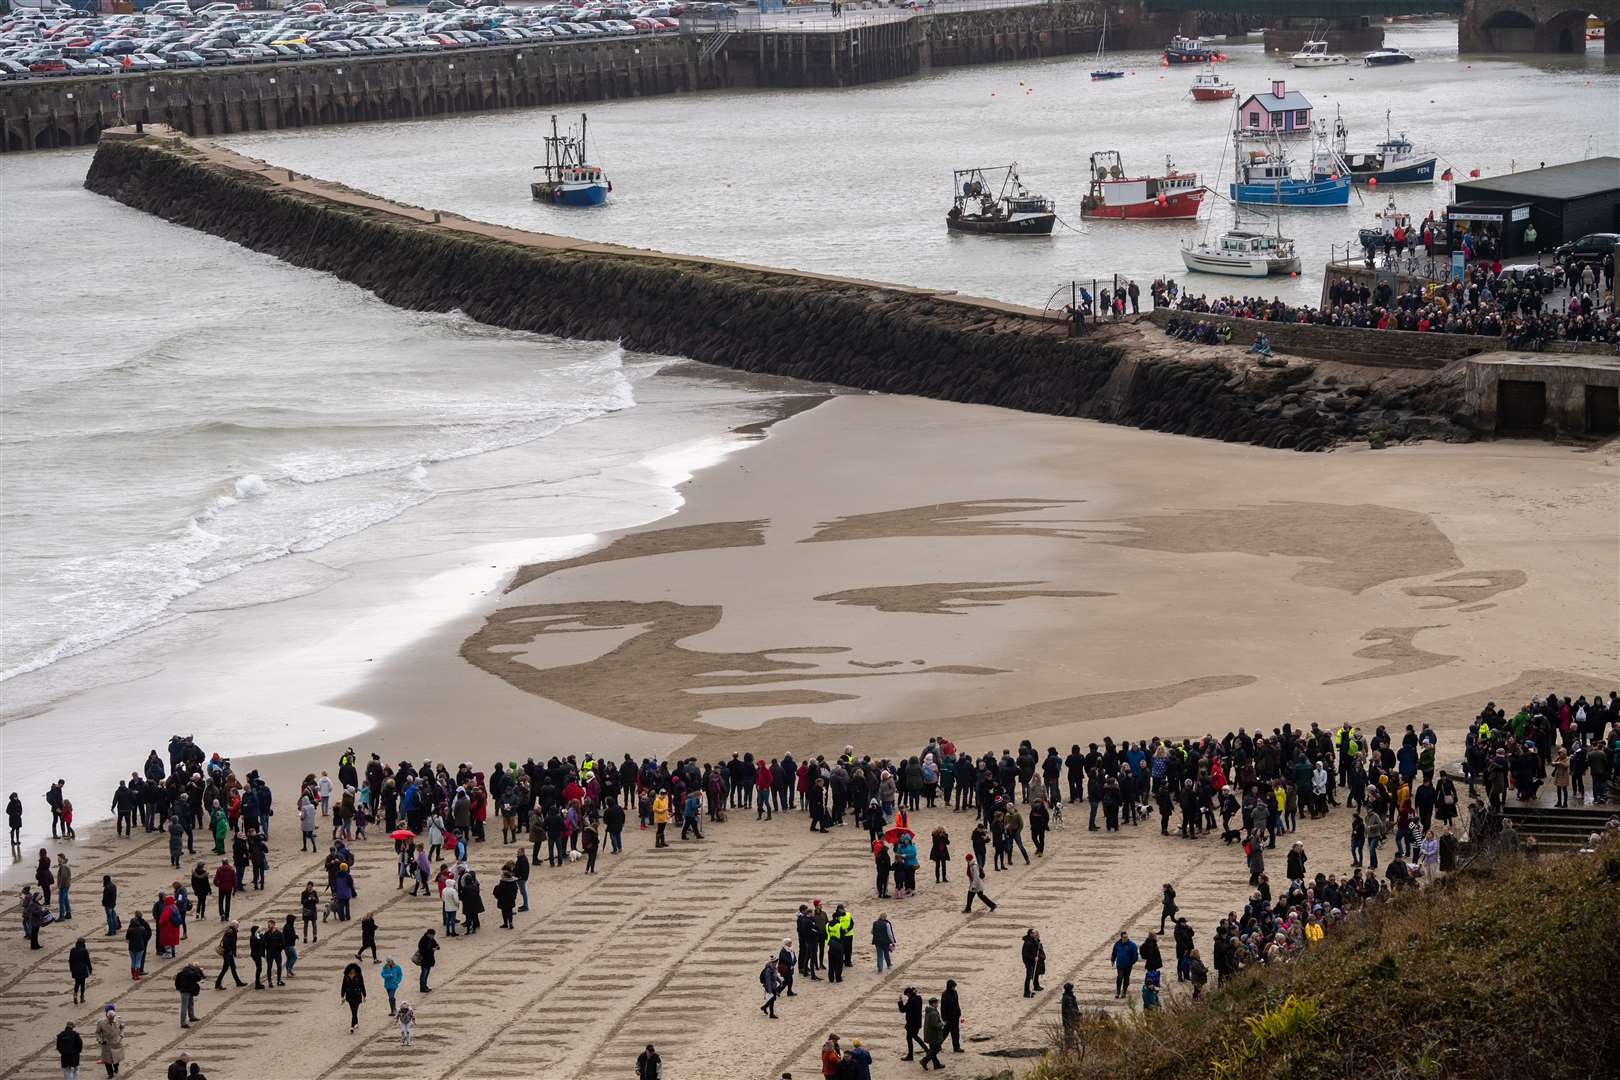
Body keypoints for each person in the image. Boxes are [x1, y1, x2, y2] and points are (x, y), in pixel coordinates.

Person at [95, 1005, 126, 1078]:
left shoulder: (119, 1020)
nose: (112, 1020)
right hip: (106, 1044)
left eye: (113, 1018)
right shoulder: (101, 1022)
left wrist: (121, 1035)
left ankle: (116, 1067)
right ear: (107, 1016)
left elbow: (122, 1028)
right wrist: (100, 1040)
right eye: (110, 1018)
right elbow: (97, 1032)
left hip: (116, 1043)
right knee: (107, 1061)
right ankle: (110, 1074)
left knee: (116, 1059)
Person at [214, 920, 243, 989]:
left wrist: (233, 952)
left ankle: (238, 982)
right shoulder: (230, 932)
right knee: (225, 969)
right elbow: (226, 943)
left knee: (233, 967)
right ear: (234, 925)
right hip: (227, 953)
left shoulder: (232, 931)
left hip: (229, 953)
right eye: (237, 925)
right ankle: (218, 983)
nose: (238, 926)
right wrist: (230, 950)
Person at [897, 986, 924, 1060]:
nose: (907, 996)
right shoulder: (918, 998)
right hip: (918, 1023)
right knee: (915, 1037)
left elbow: (903, 1010)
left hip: (911, 1024)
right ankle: (925, 1051)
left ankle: (911, 1055)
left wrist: (900, 1001)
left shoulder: (911, 1001)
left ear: (909, 994)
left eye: (907, 995)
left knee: (910, 1038)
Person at [1109, 930, 1137, 999]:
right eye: (1124, 937)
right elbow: (1114, 952)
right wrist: (1112, 960)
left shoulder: (1132, 945)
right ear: (1121, 937)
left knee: (1126, 979)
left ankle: (1124, 991)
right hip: (1120, 965)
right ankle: (1118, 992)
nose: (1126, 938)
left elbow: (1135, 956)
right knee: (1119, 977)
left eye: (1126, 937)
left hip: (1128, 966)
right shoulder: (1117, 944)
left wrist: (1131, 963)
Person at [340, 961, 367, 1032]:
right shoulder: (346, 976)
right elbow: (343, 986)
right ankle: (356, 1022)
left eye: (354, 969)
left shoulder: (359, 976)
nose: (353, 971)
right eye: (351, 969)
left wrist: (364, 995)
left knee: (355, 1010)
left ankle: (352, 1026)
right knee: (353, 1010)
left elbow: (362, 985)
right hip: (349, 996)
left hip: (357, 995)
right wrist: (342, 996)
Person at [175, 962, 203, 1027]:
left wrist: (198, 972)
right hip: (185, 991)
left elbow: (198, 978)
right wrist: (198, 972)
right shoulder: (189, 972)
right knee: (184, 1007)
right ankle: (183, 1023)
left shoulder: (188, 970)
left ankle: (192, 1017)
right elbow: (197, 977)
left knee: (191, 1004)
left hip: (189, 990)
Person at [921, 997, 946, 1070]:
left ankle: (936, 1065)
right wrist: (942, 1024)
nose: (938, 1004)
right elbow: (935, 1025)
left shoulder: (929, 1011)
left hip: (929, 1034)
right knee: (937, 1049)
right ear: (934, 1004)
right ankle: (924, 1060)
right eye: (937, 1003)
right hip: (933, 1035)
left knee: (932, 1049)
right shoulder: (933, 1013)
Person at [939, 978, 963, 1052]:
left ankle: (956, 1047)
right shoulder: (944, 994)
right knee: (944, 1033)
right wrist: (944, 1017)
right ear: (949, 986)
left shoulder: (955, 993)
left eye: (954, 986)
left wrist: (959, 1012)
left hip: (955, 1016)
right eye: (953, 986)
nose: (954, 988)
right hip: (948, 1017)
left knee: (956, 1033)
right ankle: (937, 1046)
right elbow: (942, 1007)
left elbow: (957, 1003)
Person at [125, 913, 151, 981]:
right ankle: (136, 975)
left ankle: (133, 975)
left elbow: (127, 938)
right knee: (138, 961)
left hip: (132, 948)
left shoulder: (130, 929)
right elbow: (145, 937)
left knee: (133, 961)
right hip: (140, 947)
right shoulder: (142, 929)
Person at [1021, 928, 1045, 997]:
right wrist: (1034, 958)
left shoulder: (1032, 940)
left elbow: (1035, 947)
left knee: (1032, 974)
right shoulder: (1028, 943)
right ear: (1030, 934)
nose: (1036, 934)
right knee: (1028, 977)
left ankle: (1030, 990)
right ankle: (1026, 993)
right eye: (1034, 933)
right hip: (1029, 962)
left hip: (1032, 961)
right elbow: (1026, 954)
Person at [69, 938, 93, 1004]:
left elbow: (70, 960)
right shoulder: (84, 950)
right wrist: (90, 969)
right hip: (82, 969)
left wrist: (71, 969)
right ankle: (82, 997)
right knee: (82, 984)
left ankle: (75, 995)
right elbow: (88, 961)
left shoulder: (73, 950)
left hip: (75, 969)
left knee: (77, 983)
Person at [760, 953, 782, 1018]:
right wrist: (769, 990)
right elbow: (768, 981)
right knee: (772, 1000)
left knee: (773, 999)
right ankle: (771, 1014)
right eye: (776, 962)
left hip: (774, 986)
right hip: (770, 987)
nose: (777, 963)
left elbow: (775, 976)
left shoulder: (773, 968)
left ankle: (764, 1007)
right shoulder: (768, 970)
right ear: (773, 962)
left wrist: (780, 981)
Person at [415, 928, 437, 993]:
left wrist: (436, 947)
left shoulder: (431, 939)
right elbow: (422, 950)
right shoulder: (423, 940)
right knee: (424, 974)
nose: (433, 936)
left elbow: (436, 944)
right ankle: (422, 987)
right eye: (432, 935)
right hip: (424, 960)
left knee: (426, 974)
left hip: (429, 959)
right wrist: (431, 950)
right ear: (428, 934)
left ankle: (425, 986)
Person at [1059, 983, 1080, 1048]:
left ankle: (1069, 1044)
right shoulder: (1068, 998)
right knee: (1069, 1031)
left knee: (1068, 1031)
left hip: (1066, 1018)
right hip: (1069, 1018)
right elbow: (1071, 1009)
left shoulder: (1066, 996)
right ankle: (1069, 1045)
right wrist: (1078, 1013)